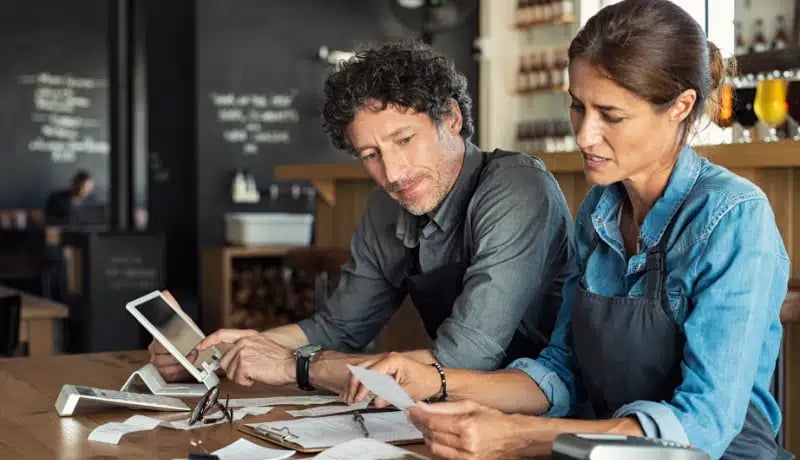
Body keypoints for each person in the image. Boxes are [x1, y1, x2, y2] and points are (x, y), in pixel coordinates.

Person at [342, 1, 792, 459]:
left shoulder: (734, 218)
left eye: (611, 115)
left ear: (681, 106)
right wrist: (436, 381)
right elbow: (561, 370)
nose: (584, 134)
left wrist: (518, 436)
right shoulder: (600, 209)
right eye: (578, 107)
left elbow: (704, 424)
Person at [149, 41, 575, 394]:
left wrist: (294, 367)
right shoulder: (385, 208)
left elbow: (463, 358)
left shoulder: (516, 188)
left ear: (451, 118)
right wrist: (227, 351)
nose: (393, 173)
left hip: (547, 412)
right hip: (456, 411)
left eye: (404, 139)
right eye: (371, 155)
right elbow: (338, 327)